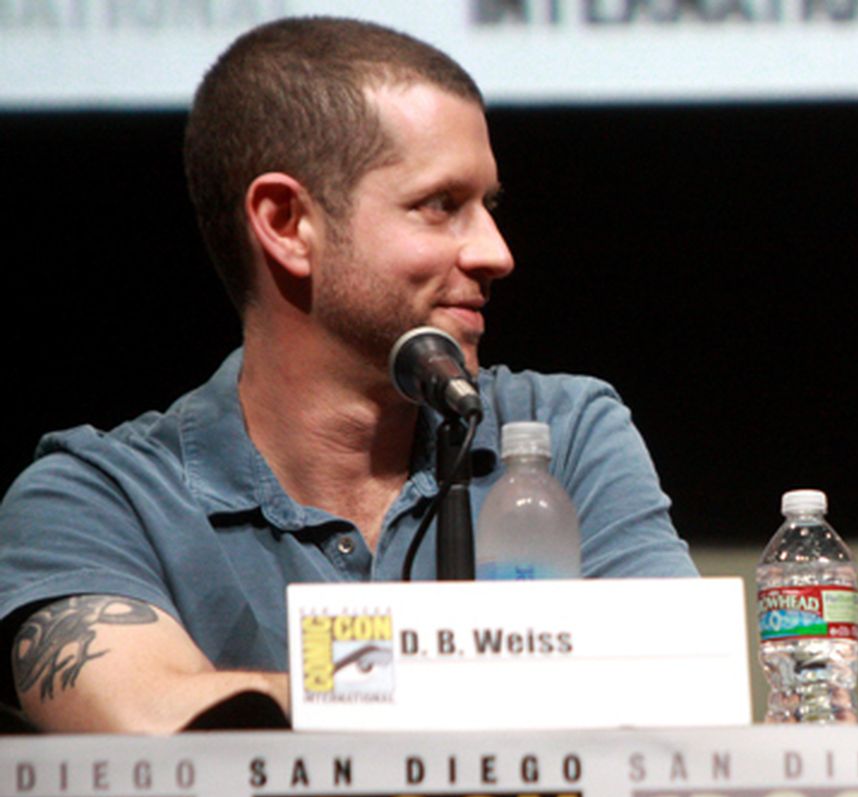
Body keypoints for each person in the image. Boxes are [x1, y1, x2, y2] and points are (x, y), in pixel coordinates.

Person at [0, 16, 696, 734]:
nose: (496, 252)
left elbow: (677, 684)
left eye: (488, 206)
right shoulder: (97, 498)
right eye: (440, 206)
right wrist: (475, 672)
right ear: (286, 222)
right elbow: (146, 717)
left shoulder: (563, 432)